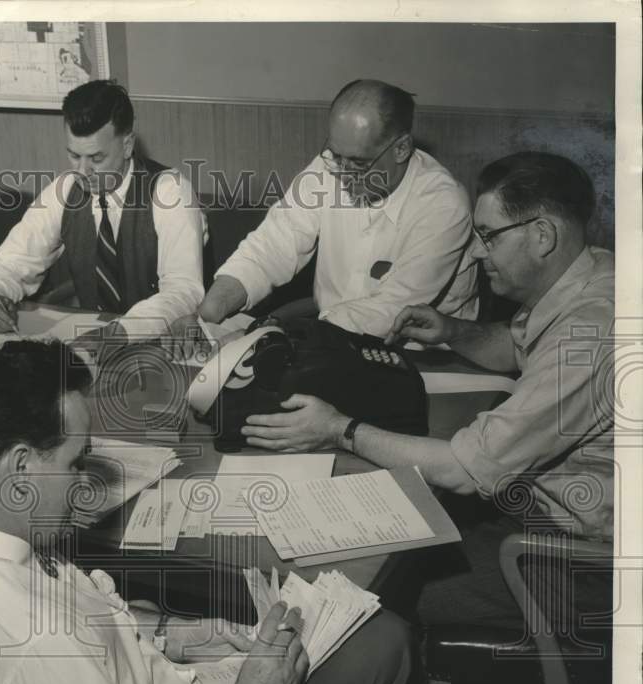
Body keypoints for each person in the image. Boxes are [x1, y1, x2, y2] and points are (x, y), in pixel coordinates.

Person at [0, 340, 427, 684]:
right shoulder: (36, 653)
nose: (87, 483)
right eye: (75, 462)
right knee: (384, 645)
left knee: (366, 651)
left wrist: (172, 634)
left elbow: (79, 618)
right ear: (20, 467)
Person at [239, 152, 614, 627]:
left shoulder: (590, 334)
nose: (478, 253)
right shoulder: (592, 273)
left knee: (362, 593)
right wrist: (454, 331)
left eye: (489, 236)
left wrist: (338, 429)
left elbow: (463, 469)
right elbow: (515, 346)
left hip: (579, 565)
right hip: (534, 515)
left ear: (542, 236)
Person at [175, 79, 477, 357]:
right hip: (323, 336)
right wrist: (207, 314)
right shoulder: (328, 168)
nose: (341, 173)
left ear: (401, 148)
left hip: (426, 359)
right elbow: (271, 246)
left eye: (358, 163)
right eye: (336, 155)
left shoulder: (443, 203)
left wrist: (269, 335)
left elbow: (391, 308)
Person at [0, 80, 206, 342]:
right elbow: (9, 262)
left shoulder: (170, 191)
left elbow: (184, 290)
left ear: (127, 145)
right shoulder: (65, 190)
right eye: (74, 156)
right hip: (89, 343)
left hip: (159, 346)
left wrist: (121, 332)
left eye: (97, 159)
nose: (83, 172)